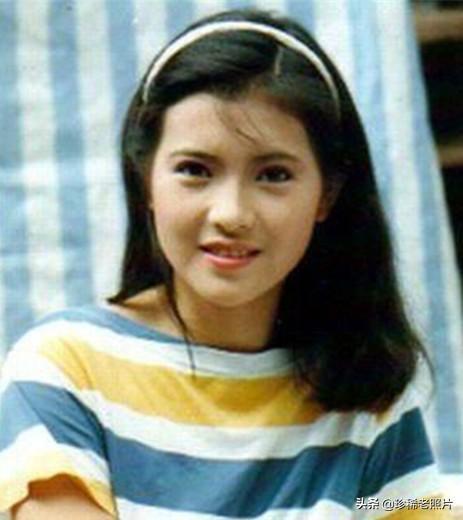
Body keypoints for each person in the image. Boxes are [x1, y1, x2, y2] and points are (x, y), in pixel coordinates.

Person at [0, 8, 450, 519]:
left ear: (327, 193)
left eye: (273, 175)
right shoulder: (59, 369)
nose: (231, 214)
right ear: (146, 180)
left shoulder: (374, 401)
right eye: (195, 170)